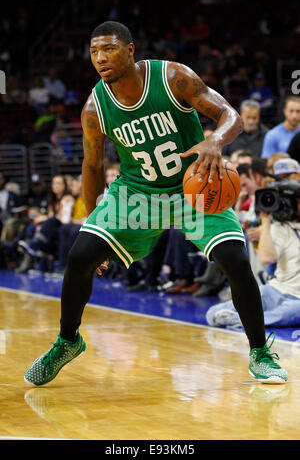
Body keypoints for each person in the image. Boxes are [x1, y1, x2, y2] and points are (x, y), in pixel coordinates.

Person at [24, 21, 287, 386]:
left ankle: (260, 352)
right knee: (80, 255)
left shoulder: (173, 77)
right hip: (138, 192)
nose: (100, 58)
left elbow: (232, 116)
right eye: (94, 52)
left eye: (109, 49)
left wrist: (216, 142)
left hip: (191, 186)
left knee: (236, 260)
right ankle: (67, 341)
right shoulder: (94, 108)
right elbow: (92, 165)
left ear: (130, 50)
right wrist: (97, 218)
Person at [206, 198, 300, 329]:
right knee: (212, 314)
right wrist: (266, 221)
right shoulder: (281, 227)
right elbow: (267, 258)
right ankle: (241, 319)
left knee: (292, 312)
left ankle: (238, 320)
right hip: (275, 290)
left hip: (297, 300)